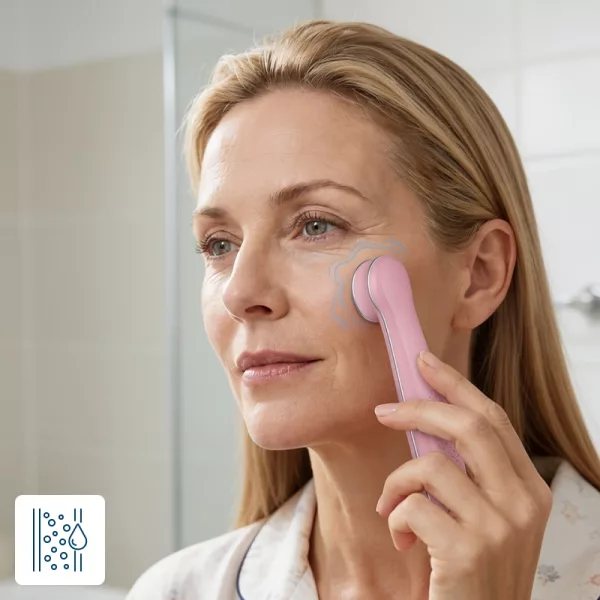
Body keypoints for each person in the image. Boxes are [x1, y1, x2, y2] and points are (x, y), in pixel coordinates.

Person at [126, 20, 600, 600]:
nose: (240, 292)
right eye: (219, 244)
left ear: (479, 273)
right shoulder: (177, 591)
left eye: (316, 225)